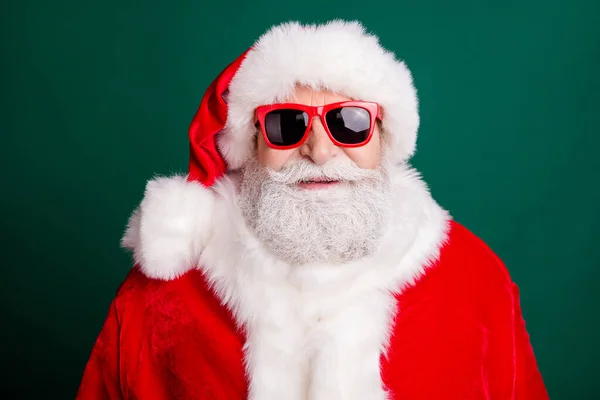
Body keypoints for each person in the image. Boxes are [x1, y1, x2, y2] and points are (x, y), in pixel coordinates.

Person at [76, 20, 549, 399]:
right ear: (252, 145)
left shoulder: (475, 280)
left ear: (384, 138)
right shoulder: (162, 298)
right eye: (287, 125)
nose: (320, 151)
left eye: (350, 122)